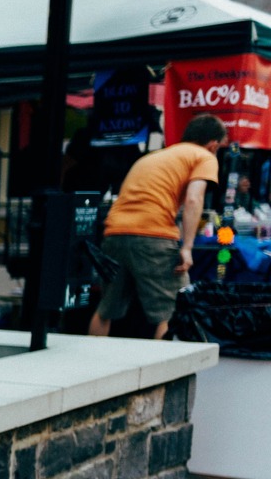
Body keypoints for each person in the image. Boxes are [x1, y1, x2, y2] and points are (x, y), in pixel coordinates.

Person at [89, 114, 227, 340]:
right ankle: (168, 365)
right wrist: (187, 247)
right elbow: (194, 199)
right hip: (153, 235)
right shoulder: (204, 156)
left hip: (114, 232)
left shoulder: (153, 157)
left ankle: (89, 359)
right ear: (213, 145)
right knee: (174, 311)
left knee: (105, 310)